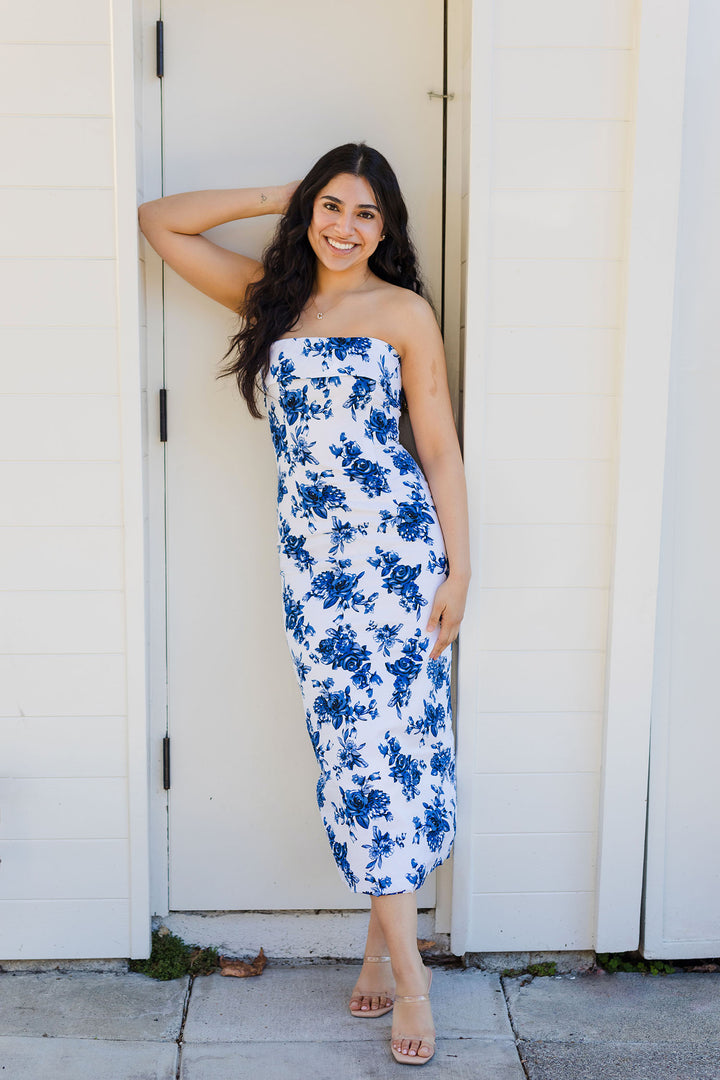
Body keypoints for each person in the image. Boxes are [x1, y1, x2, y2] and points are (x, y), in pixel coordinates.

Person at [138, 141, 471, 1066]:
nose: (345, 227)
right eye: (331, 207)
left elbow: (437, 447)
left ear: (387, 229)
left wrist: (461, 570)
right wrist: (280, 194)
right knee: (352, 752)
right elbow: (159, 221)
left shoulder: (402, 311)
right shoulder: (272, 298)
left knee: (388, 755)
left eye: (366, 214)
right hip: (316, 577)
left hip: (400, 562)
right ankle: (380, 941)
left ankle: (409, 977)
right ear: (308, 211)